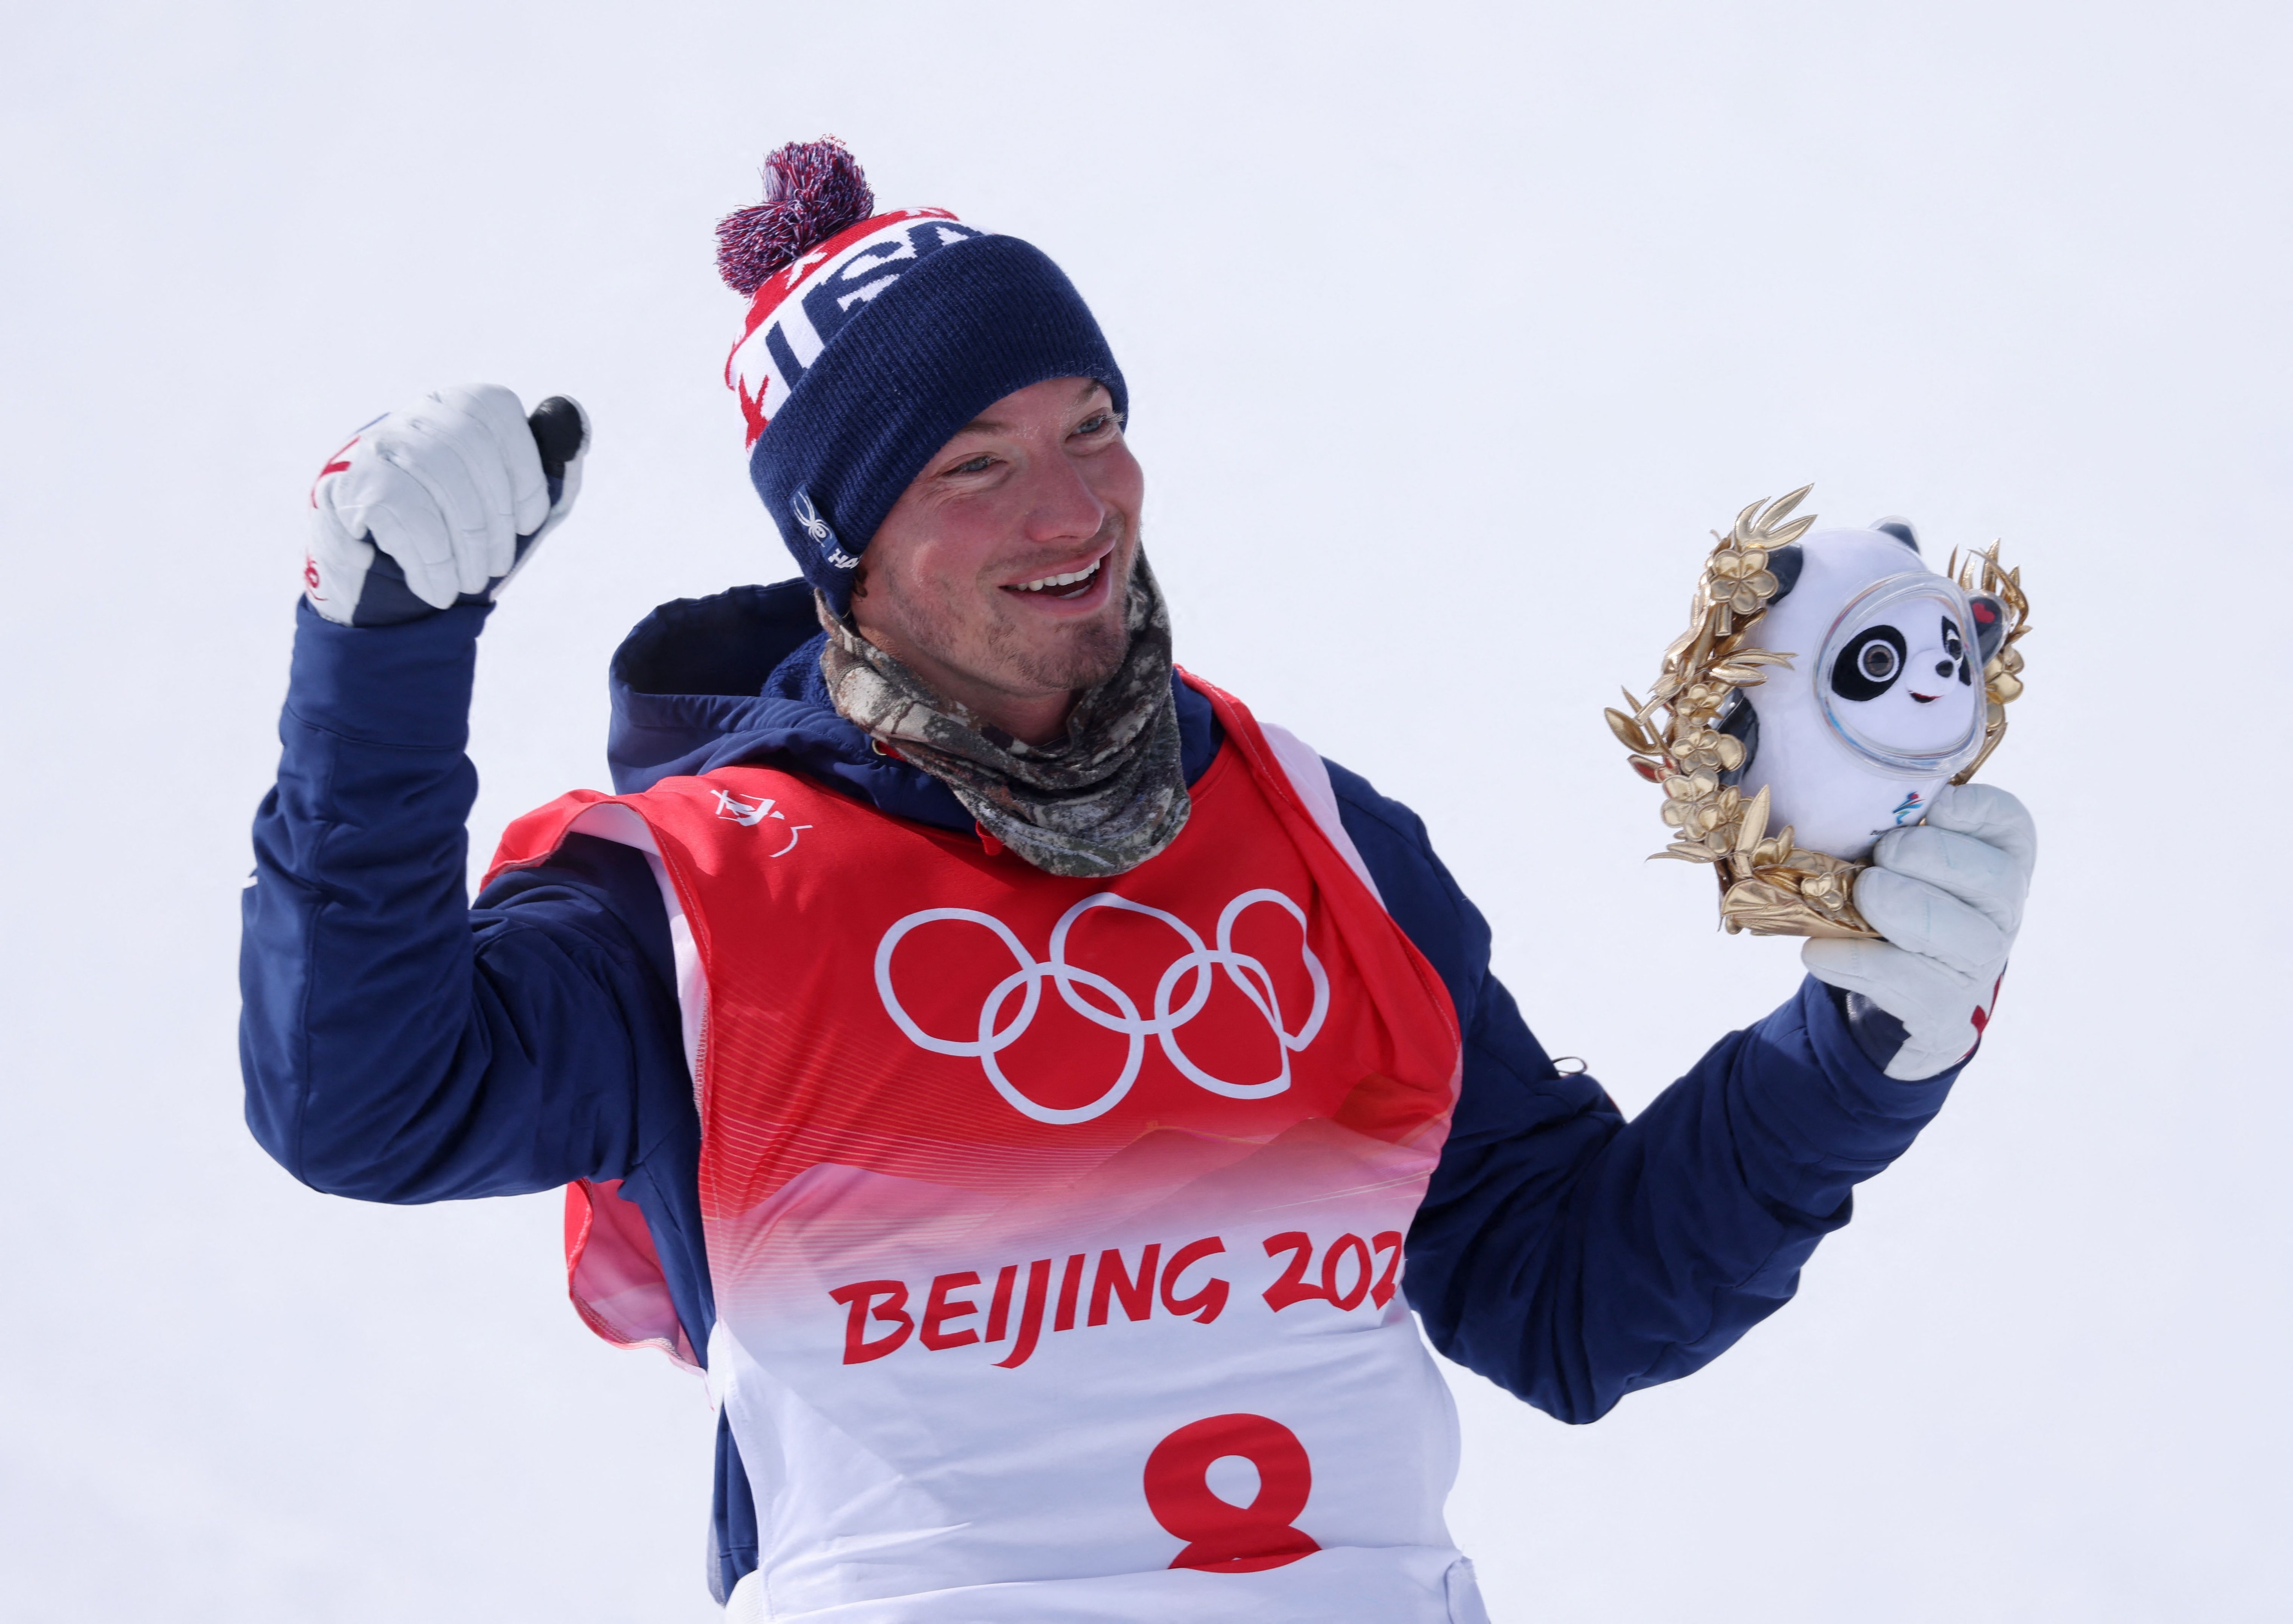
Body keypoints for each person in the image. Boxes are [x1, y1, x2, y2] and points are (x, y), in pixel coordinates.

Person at [241, 139, 2036, 1623]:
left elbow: (1564, 1293)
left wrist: (1854, 1052)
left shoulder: (1319, 837)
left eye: (1089, 423)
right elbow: (363, 1098)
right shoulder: (701, 908)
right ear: (839, 553)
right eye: (974, 464)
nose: (1069, 506)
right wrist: (378, 654)